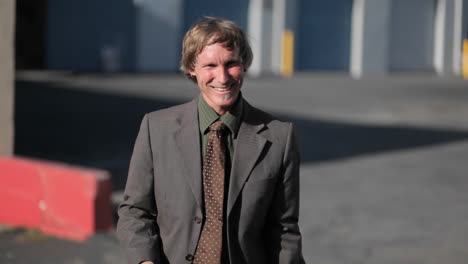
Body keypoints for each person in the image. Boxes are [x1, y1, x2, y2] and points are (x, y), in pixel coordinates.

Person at [117, 16, 305, 264]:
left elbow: (284, 228)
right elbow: (135, 211)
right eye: (210, 66)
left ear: (244, 64)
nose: (223, 77)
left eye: (231, 63)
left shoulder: (279, 137)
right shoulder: (157, 128)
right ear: (191, 69)